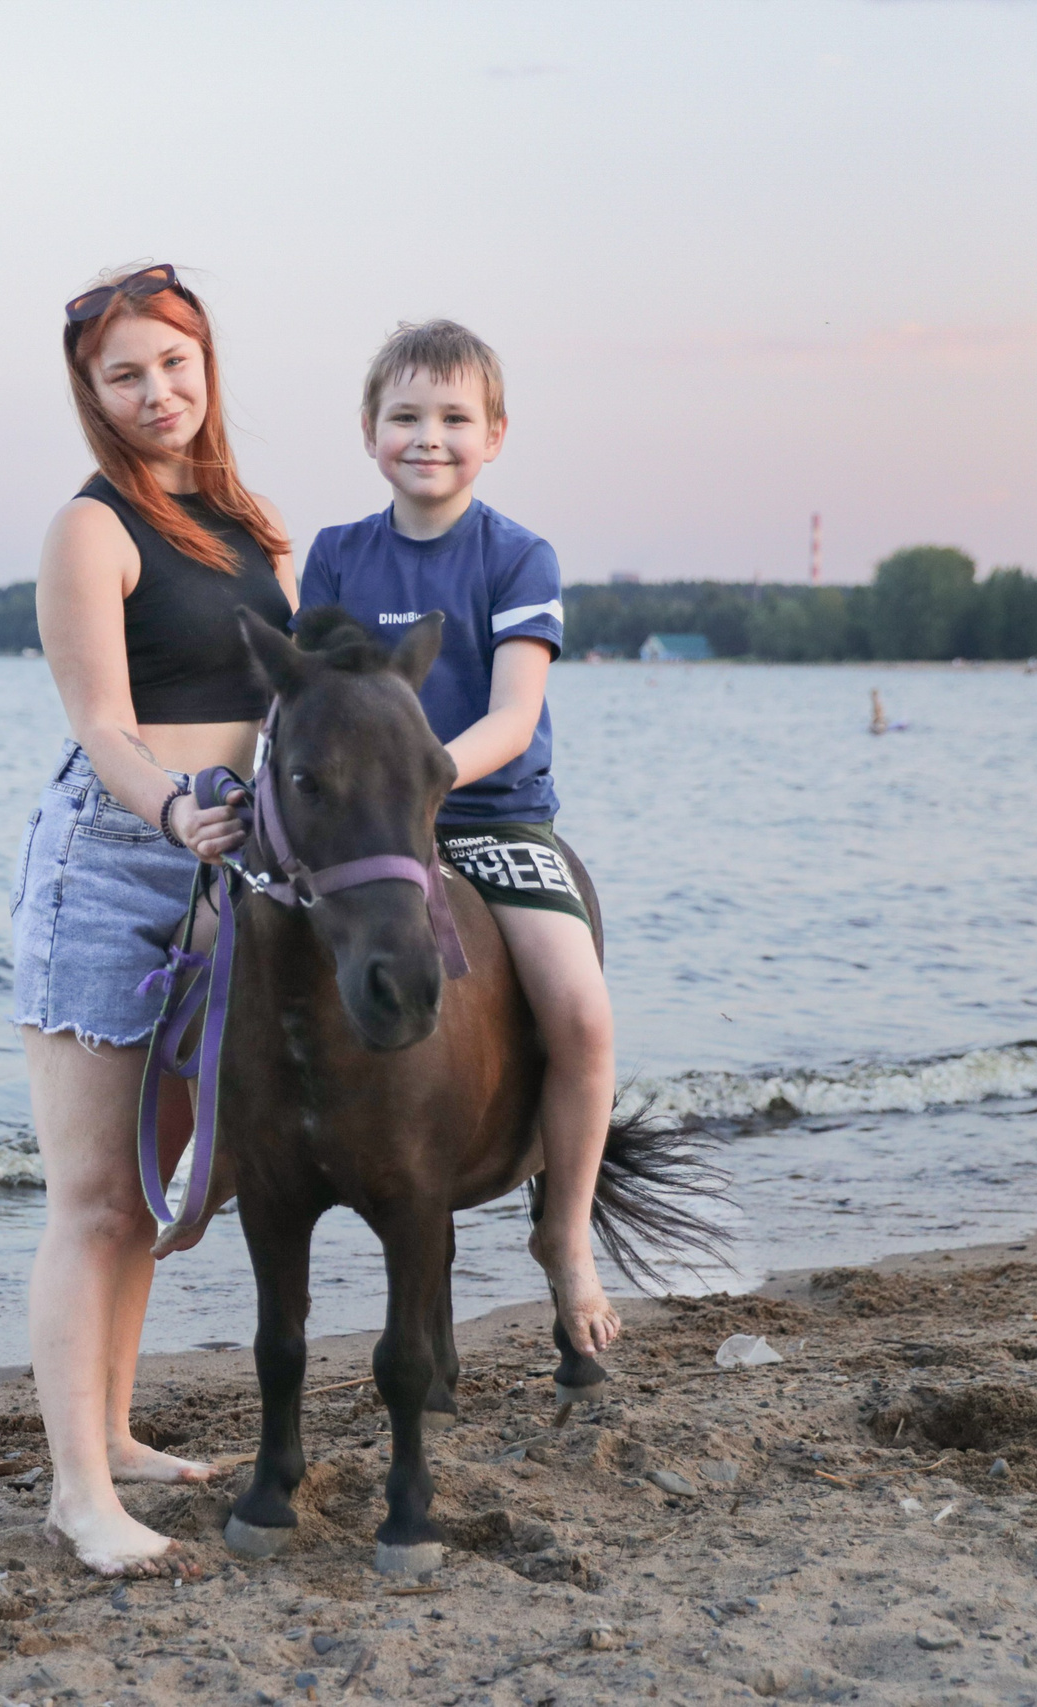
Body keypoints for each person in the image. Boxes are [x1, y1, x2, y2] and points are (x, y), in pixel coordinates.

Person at [11, 262, 296, 1577]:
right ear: (92, 391)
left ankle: (113, 1434)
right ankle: (79, 1493)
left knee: (146, 1189)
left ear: (206, 364)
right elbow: (102, 726)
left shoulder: (252, 523)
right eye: (125, 374)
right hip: (118, 862)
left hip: (225, 870)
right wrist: (179, 810)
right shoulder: (91, 528)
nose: (156, 392)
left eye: (173, 363)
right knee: (88, 1195)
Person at [297, 319, 624, 1361]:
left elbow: (511, 716)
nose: (426, 437)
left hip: (489, 819)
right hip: (364, 837)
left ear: (494, 434)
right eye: (404, 417)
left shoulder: (516, 555)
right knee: (233, 952)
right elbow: (313, 705)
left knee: (580, 1013)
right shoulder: (338, 556)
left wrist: (418, 779)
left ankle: (565, 1236)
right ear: (367, 431)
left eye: (452, 419)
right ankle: (228, 1160)